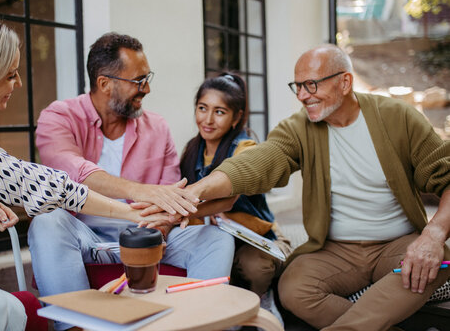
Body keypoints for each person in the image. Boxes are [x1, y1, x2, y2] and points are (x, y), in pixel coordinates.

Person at [0, 15, 169, 331]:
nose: (18, 83)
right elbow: (39, 184)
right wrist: (130, 212)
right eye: (10, 75)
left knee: (17, 312)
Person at [177, 44, 450, 330]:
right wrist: (196, 190)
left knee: (438, 260)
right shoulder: (298, 127)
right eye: (297, 86)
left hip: (397, 243)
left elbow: (446, 177)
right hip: (336, 250)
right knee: (293, 288)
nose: (302, 95)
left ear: (344, 82)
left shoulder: (398, 117)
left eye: (311, 85)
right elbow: (258, 162)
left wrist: (434, 233)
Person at [28, 32, 235, 330]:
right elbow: (74, 173)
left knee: (216, 239)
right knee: (47, 223)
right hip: (83, 235)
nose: (147, 88)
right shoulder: (58, 117)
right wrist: (142, 191)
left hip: (145, 232)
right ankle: (75, 326)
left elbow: (169, 199)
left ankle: (196, 324)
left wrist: (160, 226)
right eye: (138, 81)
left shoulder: (157, 127)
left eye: (147, 77)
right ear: (104, 83)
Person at [179, 72, 292, 299]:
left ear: (236, 117)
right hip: (214, 235)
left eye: (219, 112)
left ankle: (264, 299)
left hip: (259, 239)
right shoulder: (192, 149)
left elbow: (229, 197)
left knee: (254, 267)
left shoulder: (246, 148)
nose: (208, 119)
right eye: (202, 108)